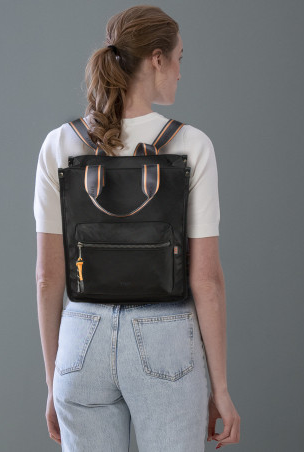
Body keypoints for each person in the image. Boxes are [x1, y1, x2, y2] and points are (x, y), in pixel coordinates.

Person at [33, 5, 240, 451]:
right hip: (166, 340)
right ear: (157, 59)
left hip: (80, 340)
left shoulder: (59, 144)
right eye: (180, 58)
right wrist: (220, 387)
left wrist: (53, 382)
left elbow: (48, 277)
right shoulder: (192, 145)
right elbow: (206, 279)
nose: (181, 71)